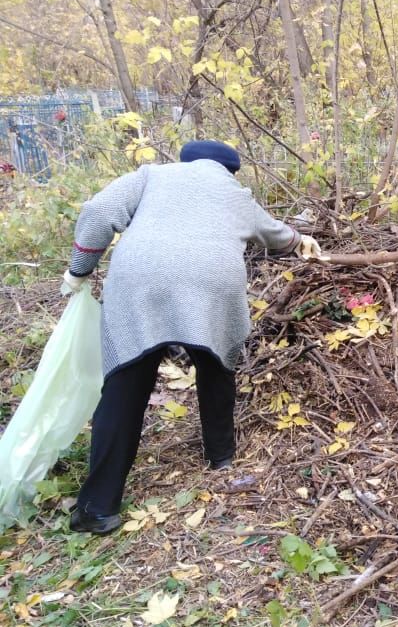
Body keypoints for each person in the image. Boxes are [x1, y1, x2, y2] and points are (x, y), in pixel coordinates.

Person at [61, 140, 324, 533]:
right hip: (213, 283)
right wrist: (301, 240)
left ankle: (99, 508)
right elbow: (278, 236)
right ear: (231, 171)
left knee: (126, 381)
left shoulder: (151, 175)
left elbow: (99, 212)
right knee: (216, 366)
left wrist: (79, 270)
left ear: (184, 161)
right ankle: (221, 457)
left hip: (140, 280)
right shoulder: (236, 195)